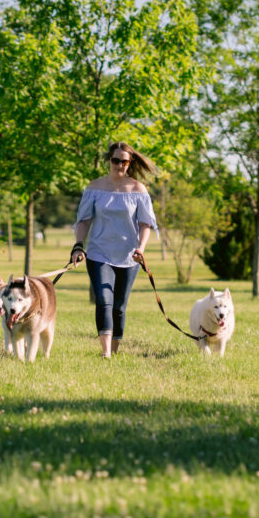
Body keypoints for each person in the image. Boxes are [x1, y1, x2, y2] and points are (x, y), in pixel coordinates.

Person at [71, 141, 157, 358]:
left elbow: (145, 224)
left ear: (130, 163)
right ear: (109, 161)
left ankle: (115, 350)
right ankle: (106, 352)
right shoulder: (94, 187)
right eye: (115, 160)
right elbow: (83, 221)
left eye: (124, 161)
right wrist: (78, 245)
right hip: (100, 253)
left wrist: (141, 248)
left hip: (129, 256)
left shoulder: (138, 189)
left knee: (119, 306)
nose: (119, 164)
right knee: (103, 300)